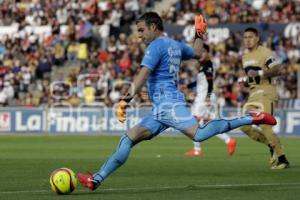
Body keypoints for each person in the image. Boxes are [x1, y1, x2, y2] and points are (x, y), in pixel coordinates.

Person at [78, 12, 277, 191]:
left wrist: (124, 100)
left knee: (198, 135)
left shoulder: (155, 46)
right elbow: (197, 53)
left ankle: (250, 118)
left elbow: (142, 75)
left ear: (153, 27)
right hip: (160, 109)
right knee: (129, 137)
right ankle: (96, 180)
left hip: (168, 104)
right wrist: (199, 35)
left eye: (141, 30)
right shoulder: (174, 44)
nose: (139, 35)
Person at [239, 27, 289, 169]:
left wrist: (260, 73)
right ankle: (272, 145)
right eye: (245, 37)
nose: (247, 40)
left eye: (250, 37)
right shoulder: (245, 57)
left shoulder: (265, 52)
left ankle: (282, 159)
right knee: (243, 126)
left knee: (265, 125)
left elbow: (278, 69)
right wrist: (245, 81)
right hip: (253, 95)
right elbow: (252, 78)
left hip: (266, 92)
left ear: (257, 38)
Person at [185, 44, 237, 157]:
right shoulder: (203, 66)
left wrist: (208, 96)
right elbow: (201, 82)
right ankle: (229, 141)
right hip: (205, 97)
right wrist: (189, 85)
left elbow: (210, 82)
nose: (200, 54)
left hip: (204, 98)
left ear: (208, 53)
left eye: (203, 52)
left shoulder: (208, 65)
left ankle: (197, 149)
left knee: (193, 122)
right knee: (208, 124)